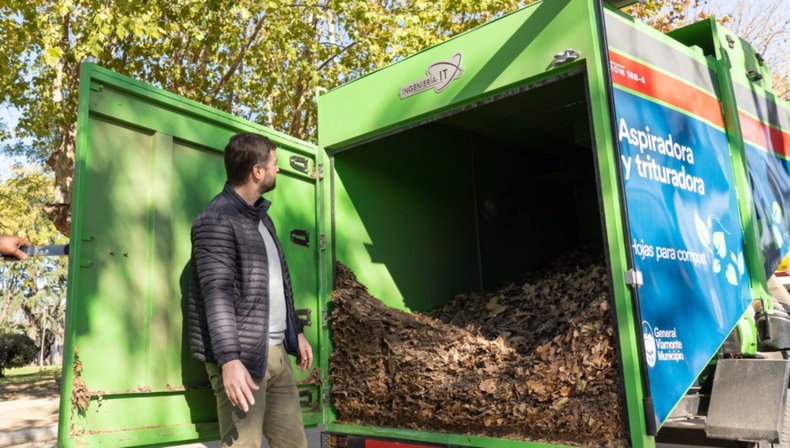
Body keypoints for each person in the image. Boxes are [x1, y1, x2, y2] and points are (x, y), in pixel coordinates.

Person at [188, 132, 312, 448]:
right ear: (257, 171)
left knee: (294, 444)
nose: (278, 169)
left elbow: (277, 282)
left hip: (276, 354)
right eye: (274, 163)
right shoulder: (216, 220)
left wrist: (295, 331)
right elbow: (216, 295)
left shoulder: (261, 217)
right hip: (243, 359)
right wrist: (229, 360)